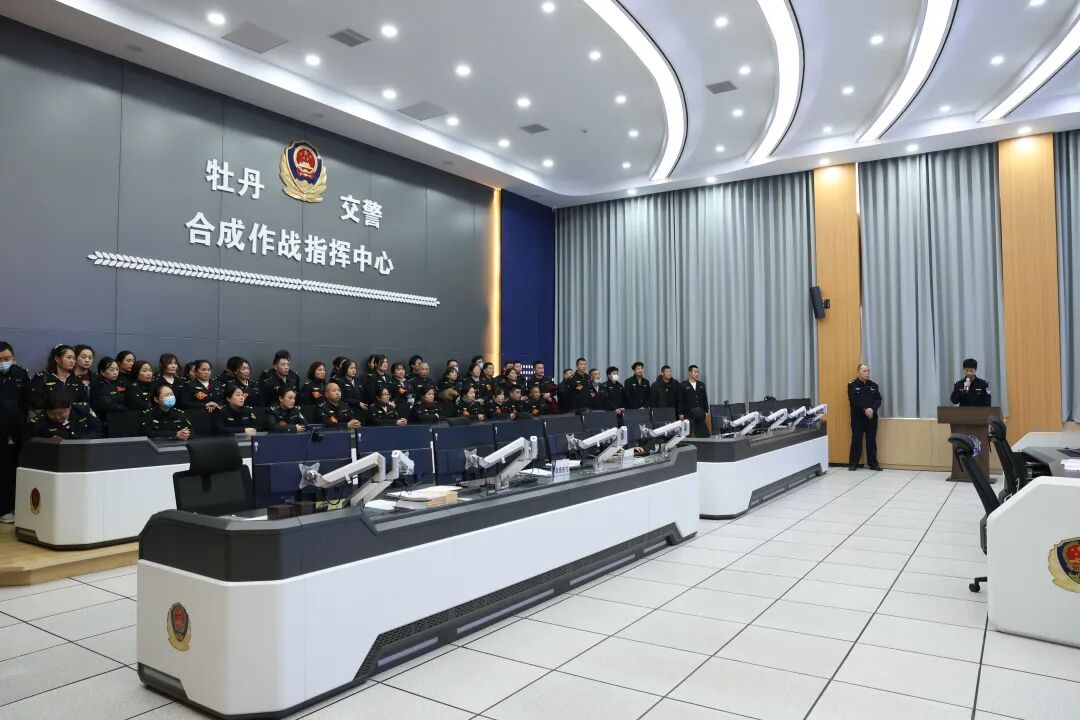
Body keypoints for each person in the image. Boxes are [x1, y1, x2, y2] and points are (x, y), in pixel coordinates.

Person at [28, 388, 103, 440]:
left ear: (69, 407)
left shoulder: (82, 410)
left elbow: (98, 430)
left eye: (61, 413)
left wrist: (79, 442)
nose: (57, 417)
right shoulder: (38, 423)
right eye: (52, 414)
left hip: (86, 449)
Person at [28, 345, 84, 412]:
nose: (72, 361)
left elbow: (83, 402)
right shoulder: (42, 377)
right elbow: (35, 401)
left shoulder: (76, 379)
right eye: (69, 358)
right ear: (57, 359)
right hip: (48, 415)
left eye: (74, 358)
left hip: (73, 416)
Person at [848, 363, 882, 471]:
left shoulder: (874, 385)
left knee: (871, 441)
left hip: (871, 417)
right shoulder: (852, 385)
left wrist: (872, 409)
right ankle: (853, 463)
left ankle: (873, 464)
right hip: (858, 418)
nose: (867, 373)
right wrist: (864, 410)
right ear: (858, 373)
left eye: (868, 371)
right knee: (856, 440)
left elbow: (878, 399)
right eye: (864, 371)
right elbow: (854, 401)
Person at [678, 365, 709, 437]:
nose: (697, 374)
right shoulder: (683, 385)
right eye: (695, 372)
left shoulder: (701, 384)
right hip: (688, 413)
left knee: (703, 434)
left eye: (698, 372)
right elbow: (680, 400)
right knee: (687, 434)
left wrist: (706, 411)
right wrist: (680, 413)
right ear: (690, 373)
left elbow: (704, 399)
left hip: (700, 412)